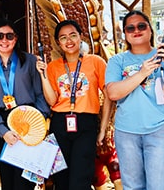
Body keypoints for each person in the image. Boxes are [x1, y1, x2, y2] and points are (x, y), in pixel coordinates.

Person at [104, 10, 164, 190]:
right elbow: (113, 93)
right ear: (125, 35)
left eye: (141, 26)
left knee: (160, 185)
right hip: (126, 132)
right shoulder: (117, 61)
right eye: (130, 28)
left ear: (150, 30)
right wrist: (142, 73)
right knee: (133, 187)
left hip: (160, 130)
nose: (136, 30)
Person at [36, 19, 111, 190]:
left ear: (81, 37)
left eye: (73, 35)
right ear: (57, 42)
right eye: (63, 38)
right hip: (60, 124)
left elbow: (109, 95)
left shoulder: (95, 62)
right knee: (61, 178)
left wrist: (103, 128)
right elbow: (52, 101)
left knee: (81, 178)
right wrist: (43, 75)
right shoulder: (53, 67)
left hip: (86, 124)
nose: (68, 41)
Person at [0, 19, 48, 190]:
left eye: (9, 36)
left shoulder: (31, 62)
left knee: (25, 177)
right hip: (3, 122)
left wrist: (39, 122)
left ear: (16, 39)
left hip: (29, 120)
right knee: (7, 176)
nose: (4, 40)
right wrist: (2, 131)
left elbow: (40, 94)